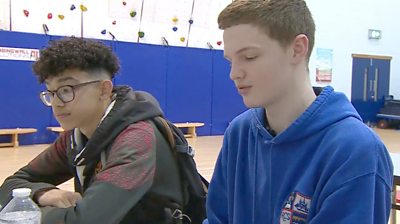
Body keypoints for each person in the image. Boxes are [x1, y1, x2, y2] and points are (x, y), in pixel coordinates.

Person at [204, 0, 393, 223]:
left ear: (297, 49)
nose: (234, 74)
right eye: (230, 61)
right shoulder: (239, 132)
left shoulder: (354, 150)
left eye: (249, 57)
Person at [0, 37, 185, 223]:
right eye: (51, 92)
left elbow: (86, 221)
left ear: (104, 90)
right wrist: (43, 193)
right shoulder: (75, 135)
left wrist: (25, 214)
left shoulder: (137, 139)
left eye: (66, 90)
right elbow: (11, 185)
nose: (56, 103)